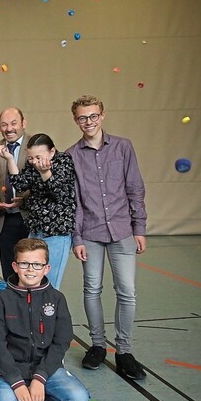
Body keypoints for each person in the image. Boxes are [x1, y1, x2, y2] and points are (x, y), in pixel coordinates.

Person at [66, 95, 148, 379]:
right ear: (75, 120)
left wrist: (139, 228)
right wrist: (76, 238)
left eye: (93, 116)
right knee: (92, 289)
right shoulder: (71, 156)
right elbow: (73, 201)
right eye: (82, 118)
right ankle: (98, 346)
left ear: (102, 115)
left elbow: (135, 188)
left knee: (126, 291)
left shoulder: (123, 148)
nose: (88, 122)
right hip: (90, 232)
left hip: (123, 230)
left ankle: (124, 351)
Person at [0, 238, 90, 401]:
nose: (30, 269)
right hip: (11, 371)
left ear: (47, 268)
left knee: (79, 399)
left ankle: (44, 400)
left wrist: (40, 378)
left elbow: (61, 342)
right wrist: (17, 383)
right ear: (15, 266)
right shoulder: (3, 299)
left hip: (46, 370)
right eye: (24, 263)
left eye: (37, 264)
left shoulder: (57, 299)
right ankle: (21, 396)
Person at [0, 133, 77, 290]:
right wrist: (10, 160)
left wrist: (45, 172)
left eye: (38, 157)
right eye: (30, 158)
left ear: (52, 152)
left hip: (56, 232)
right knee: (31, 282)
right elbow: (20, 184)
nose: (34, 162)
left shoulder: (64, 162)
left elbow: (59, 194)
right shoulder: (33, 164)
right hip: (35, 230)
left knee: (50, 285)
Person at [0, 107, 31, 281]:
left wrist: (24, 199)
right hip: (5, 219)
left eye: (13, 123)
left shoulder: (34, 145)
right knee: (9, 272)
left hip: (30, 217)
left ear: (23, 123)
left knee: (30, 269)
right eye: (4, 124)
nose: (9, 128)